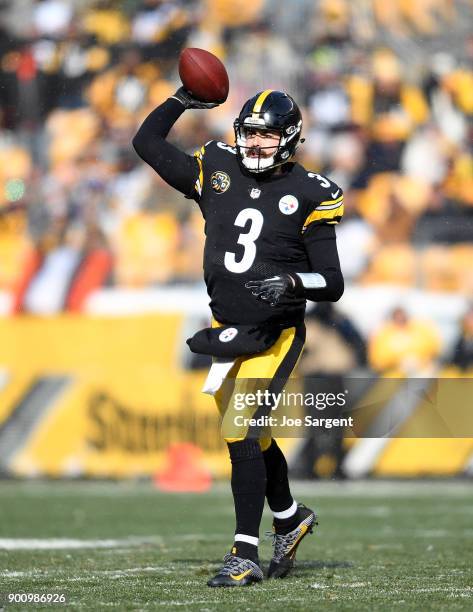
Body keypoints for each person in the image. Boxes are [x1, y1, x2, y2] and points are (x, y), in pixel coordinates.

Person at [133, 86, 344, 586]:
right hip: (226, 331)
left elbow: (331, 282)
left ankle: (244, 552)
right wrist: (183, 99)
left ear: (289, 138)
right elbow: (146, 142)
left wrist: (293, 281)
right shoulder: (218, 168)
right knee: (252, 437)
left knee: (243, 433)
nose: (254, 144)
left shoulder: (312, 192)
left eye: (266, 135)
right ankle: (290, 518)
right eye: (249, 132)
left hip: (274, 334)